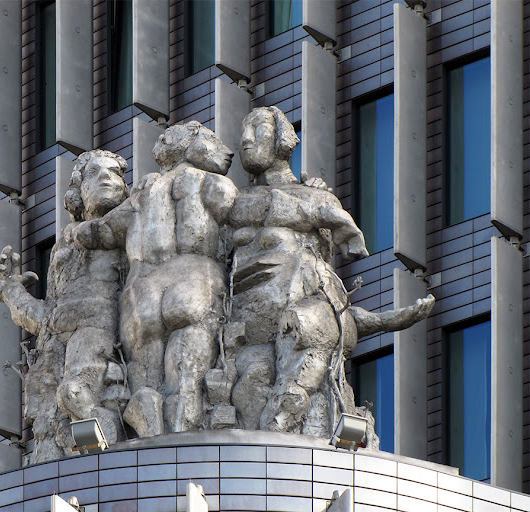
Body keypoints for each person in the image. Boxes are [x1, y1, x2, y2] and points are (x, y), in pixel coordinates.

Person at [226, 106, 434, 440]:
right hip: (246, 327)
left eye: (258, 128)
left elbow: (331, 299)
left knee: (296, 379)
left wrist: (391, 319)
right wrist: (325, 211)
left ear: (282, 140)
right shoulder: (238, 202)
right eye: (243, 131)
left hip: (295, 324)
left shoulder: (315, 199)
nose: (245, 140)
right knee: (249, 386)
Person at [75, 121, 239, 436]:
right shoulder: (212, 182)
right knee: (186, 378)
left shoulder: (143, 189)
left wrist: (76, 231)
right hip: (194, 278)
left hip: (142, 290)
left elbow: (102, 231)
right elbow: (242, 217)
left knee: (146, 382)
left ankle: (150, 432)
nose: (227, 151)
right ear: (189, 145)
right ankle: (180, 444)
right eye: (210, 140)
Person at [0, 150, 131, 463]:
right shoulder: (62, 249)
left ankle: (100, 456)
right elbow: (46, 318)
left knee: (75, 394)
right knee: (48, 426)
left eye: (114, 172)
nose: (106, 177)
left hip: (99, 331)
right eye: (93, 173)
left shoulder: (127, 229)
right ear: (77, 193)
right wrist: (9, 291)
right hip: (57, 345)